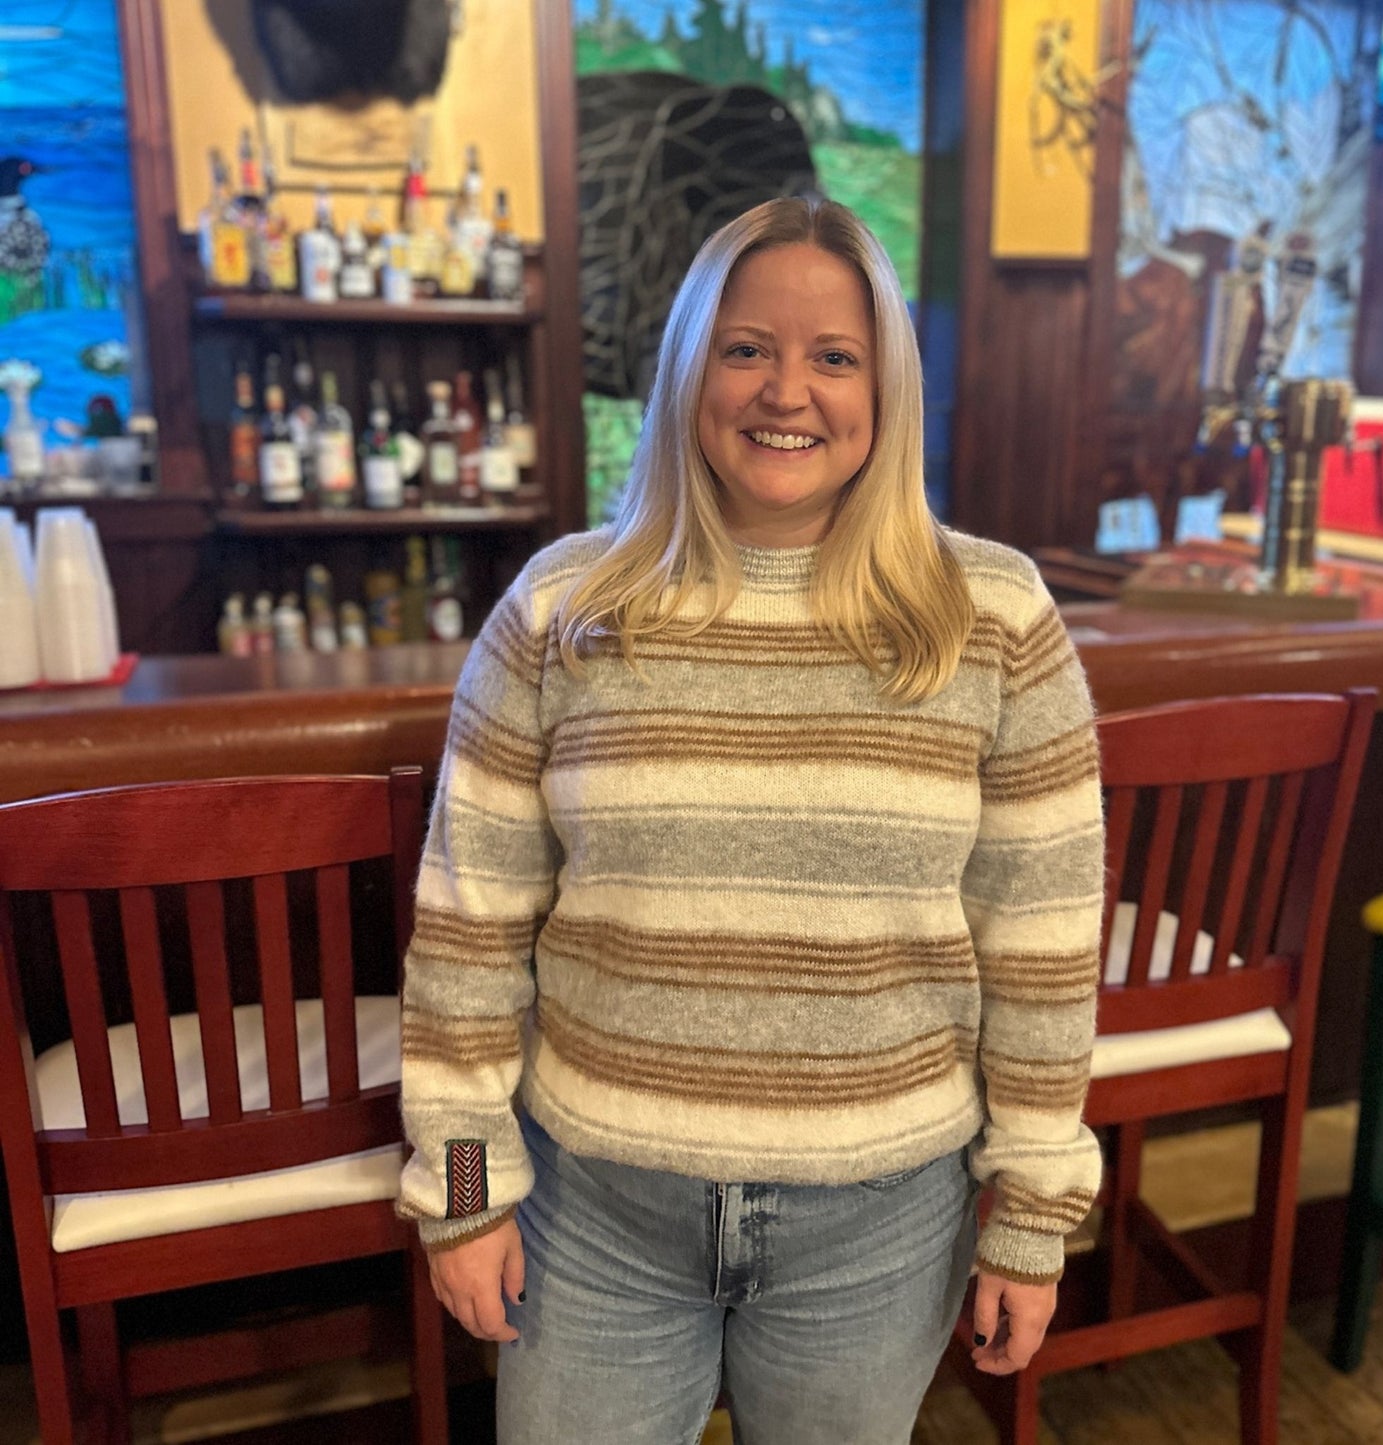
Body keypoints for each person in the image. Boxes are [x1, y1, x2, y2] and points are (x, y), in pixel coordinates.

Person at [398, 196, 1104, 1444]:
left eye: (834, 356)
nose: (788, 390)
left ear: (883, 390)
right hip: (592, 1216)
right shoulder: (562, 607)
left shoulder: (991, 615)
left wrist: (1033, 1215)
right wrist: (464, 1196)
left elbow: (1038, 951)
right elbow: (468, 931)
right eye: (745, 348)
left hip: (883, 1226)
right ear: (687, 370)